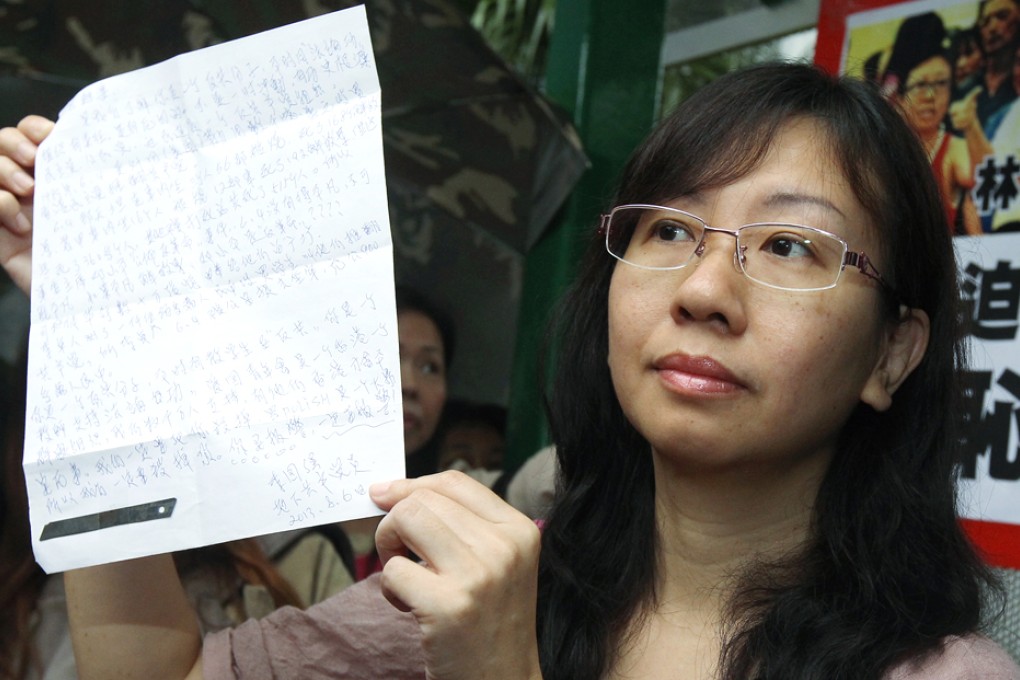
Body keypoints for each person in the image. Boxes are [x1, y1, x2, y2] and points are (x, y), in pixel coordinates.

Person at [3, 62, 1020, 679]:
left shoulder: (942, 669)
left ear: (894, 351)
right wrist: (98, 328)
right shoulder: (495, 581)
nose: (706, 287)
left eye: (793, 247)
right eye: (667, 228)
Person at [884, 12, 982, 235]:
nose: (930, 96)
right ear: (898, 96)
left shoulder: (955, 150)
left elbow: (979, 237)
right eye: (920, 85)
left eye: (940, 83)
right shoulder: (882, 156)